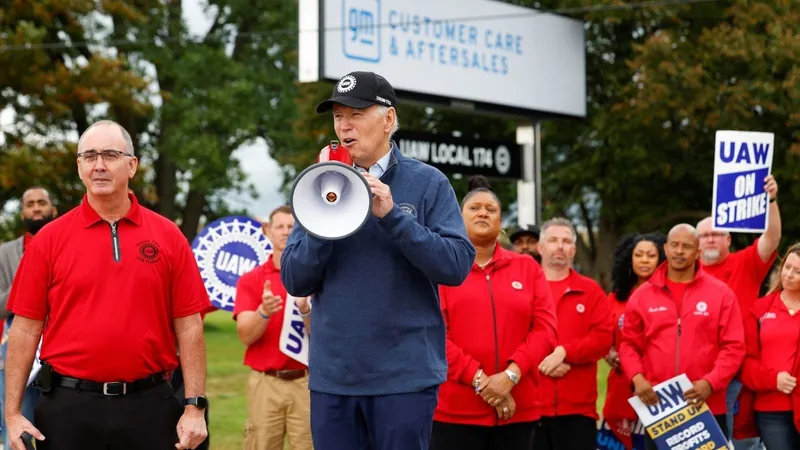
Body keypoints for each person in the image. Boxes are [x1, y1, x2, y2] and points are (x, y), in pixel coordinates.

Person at [280, 71, 475, 450]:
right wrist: (325, 214)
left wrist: (393, 217)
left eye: (355, 113)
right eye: (337, 116)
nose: (344, 126)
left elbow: (456, 265)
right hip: (333, 379)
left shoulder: (428, 182)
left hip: (403, 379)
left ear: (388, 119)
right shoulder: (317, 184)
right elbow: (294, 279)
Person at [3, 120, 210, 450]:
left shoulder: (168, 236)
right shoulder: (48, 241)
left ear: (132, 165)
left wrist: (194, 406)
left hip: (151, 405)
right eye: (89, 156)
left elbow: (189, 325)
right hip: (68, 409)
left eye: (110, 155)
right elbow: (25, 329)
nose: (99, 165)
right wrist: (12, 413)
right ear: (79, 166)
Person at [429, 176, 556, 450]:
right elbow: (434, 334)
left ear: (501, 223)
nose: (483, 212)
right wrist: (483, 382)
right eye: (474, 208)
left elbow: (545, 329)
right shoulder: (440, 270)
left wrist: (510, 376)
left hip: (517, 411)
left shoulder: (528, 268)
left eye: (491, 208)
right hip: (454, 413)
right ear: (458, 218)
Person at [619, 223, 745, 450]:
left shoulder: (721, 294)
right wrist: (637, 378)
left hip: (705, 405)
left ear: (698, 252)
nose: (679, 251)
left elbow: (733, 347)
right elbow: (629, 345)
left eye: (686, 247)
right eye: (674, 245)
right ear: (665, 249)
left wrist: (710, 382)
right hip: (659, 407)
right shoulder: (642, 296)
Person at [697, 174, 781, 449]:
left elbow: (772, 237)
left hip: (738, 373)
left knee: (739, 441)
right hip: (697, 372)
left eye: (716, 234)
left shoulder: (745, 262)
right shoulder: (686, 272)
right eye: (705, 235)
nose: (710, 239)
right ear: (696, 243)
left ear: (728, 238)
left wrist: (770, 200)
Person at [233, 205, 313, 450]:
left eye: (292, 227)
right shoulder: (251, 279)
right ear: (267, 231)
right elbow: (245, 335)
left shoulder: (313, 277)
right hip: (266, 382)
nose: (286, 232)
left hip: (307, 382)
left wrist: (306, 310)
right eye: (280, 226)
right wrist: (263, 311)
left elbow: (325, 337)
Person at [532, 217, 613, 450]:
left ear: (574, 250)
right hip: (530, 406)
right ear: (540, 247)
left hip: (578, 410)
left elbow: (603, 339)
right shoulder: (525, 287)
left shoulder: (590, 291)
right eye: (553, 240)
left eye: (566, 241)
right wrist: (543, 361)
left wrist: (565, 352)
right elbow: (510, 337)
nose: (560, 246)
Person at [0, 187, 58, 449]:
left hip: (59, 357)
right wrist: (30, 279)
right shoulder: (5, 253)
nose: (36, 208)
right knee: (17, 435)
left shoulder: (66, 245)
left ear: (53, 210)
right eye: (30, 204)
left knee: (56, 432)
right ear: (22, 212)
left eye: (41, 203)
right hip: (14, 356)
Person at [602, 232, 666, 449]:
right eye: (639, 255)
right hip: (621, 385)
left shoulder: (670, 296)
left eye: (651, 255)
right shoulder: (616, 298)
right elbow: (603, 338)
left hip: (659, 386)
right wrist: (609, 354)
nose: (644, 260)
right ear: (629, 259)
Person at [736, 243, 800, 449]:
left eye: (798, 271)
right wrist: (773, 380)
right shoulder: (760, 309)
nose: (788, 275)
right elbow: (744, 362)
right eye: (786, 267)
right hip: (771, 407)